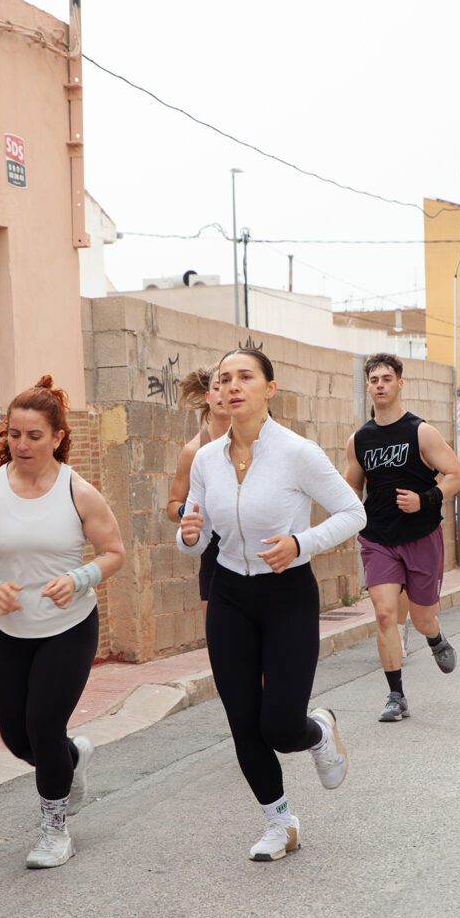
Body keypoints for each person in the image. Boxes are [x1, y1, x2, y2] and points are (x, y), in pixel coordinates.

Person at [178, 348, 365, 862]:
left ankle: (318, 731)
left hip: (287, 595)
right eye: (225, 378)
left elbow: (354, 513)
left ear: (269, 388)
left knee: (280, 727)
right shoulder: (206, 460)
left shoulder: (297, 452)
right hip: (229, 596)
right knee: (243, 721)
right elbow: (198, 539)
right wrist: (189, 536)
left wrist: (300, 544)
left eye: (246, 377)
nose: (233, 386)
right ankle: (280, 823)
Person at [0, 375, 125, 869]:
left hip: (68, 627)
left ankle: (54, 829)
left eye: (34, 435)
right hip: (10, 630)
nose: (22, 444)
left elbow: (114, 552)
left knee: (44, 725)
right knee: (18, 738)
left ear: (57, 437)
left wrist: (79, 577)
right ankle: (72, 759)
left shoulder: (78, 492)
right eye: (14, 434)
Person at [344, 352, 460, 723]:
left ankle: (434, 637)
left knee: (423, 617)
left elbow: (457, 475)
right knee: (384, 615)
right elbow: (351, 488)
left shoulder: (421, 432)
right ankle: (396, 695)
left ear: (399, 383)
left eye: (386, 379)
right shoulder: (359, 440)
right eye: (374, 380)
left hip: (421, 535)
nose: (380, 385)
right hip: (378, 538)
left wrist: (424, 499)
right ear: (368, 386)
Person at [166, 366, 230, 616]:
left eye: (227, 386)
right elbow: (172, 505)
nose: (222, 394)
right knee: (219, 638)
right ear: (207, 397)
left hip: (257, 553)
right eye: (216, 388)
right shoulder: (195, 450)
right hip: (214, 555)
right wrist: (189, 512)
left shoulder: (258, 441)